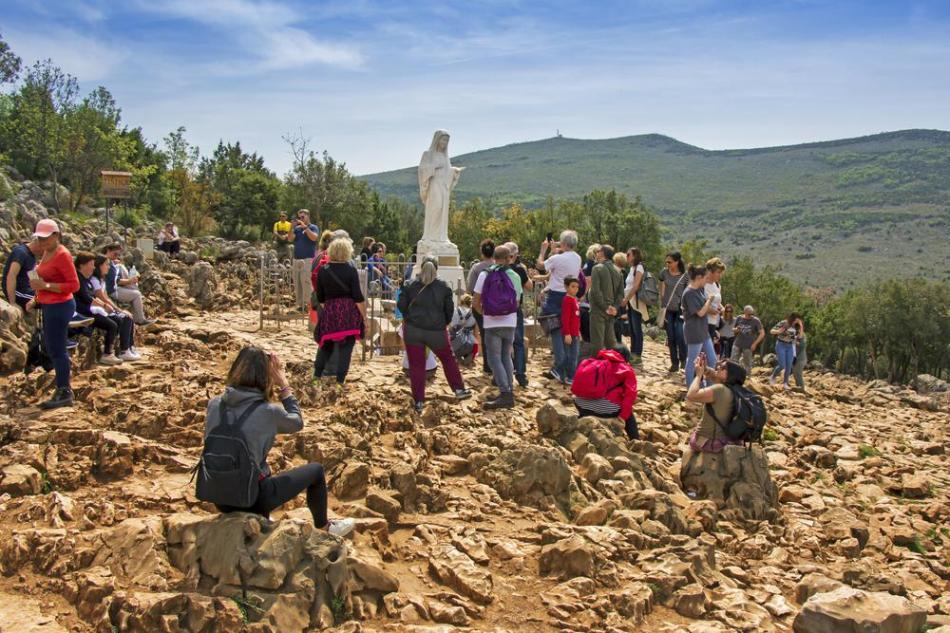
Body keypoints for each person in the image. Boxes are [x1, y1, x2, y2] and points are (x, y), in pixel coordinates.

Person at [205, 346, 354, 536]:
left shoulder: (215, 404)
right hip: (251, 499)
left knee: (259, 466)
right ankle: (325, 527)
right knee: (315, 471)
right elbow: (297, 422)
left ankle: (261, 519)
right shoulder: (268, 411)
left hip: (218, 495)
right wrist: (283, 382)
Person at [398, 256, 472, 412]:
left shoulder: (409, 285)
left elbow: (401, 306)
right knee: (448, 359)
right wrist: (441, 324)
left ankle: (419, 401)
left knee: (417, 365)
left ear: (421, 268)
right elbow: (449, 311)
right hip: (436, 332)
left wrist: (410, 319)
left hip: (413, 331)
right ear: (436, 269)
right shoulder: (443, 287)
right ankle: (458, 389)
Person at [28, 220, 80, 409]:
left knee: (57, 350)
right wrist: (36, 298)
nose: (42, 242)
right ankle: (62, 388)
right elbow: (44, 279)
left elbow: (74, 285)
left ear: (56, 235)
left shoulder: (62, 255)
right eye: (39, 238)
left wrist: (45, 286)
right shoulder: (47, 253)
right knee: (53, 348)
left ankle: (64, 391)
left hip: (60, 306)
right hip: (50, 305)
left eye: (45, 238)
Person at [474, 245, 523, 409]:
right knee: (506, 356)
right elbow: (517, 302)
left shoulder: (485, 274)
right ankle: (508, 389)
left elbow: (475, 301)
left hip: (492, 322)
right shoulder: (515, 276)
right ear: (509, 258)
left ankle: (505, 394)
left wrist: (486, 314)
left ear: (493, 258)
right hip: (510, 322)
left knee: (494, 359)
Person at [312, 238, 365, 383]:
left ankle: (316, 375)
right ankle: (340, 380)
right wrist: (363, 316)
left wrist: (329, 310)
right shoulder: (351, 270)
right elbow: (358, 296)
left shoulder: (324, 270)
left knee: (326, 344)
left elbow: (320, 297)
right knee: (347, 347)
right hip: (348, 312)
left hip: (330, 309)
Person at [73, 252, 137, 365]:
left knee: (120, 320)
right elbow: (87, 297)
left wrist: (110, 307)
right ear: (82, 265)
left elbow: (95, 297)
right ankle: (108, 353)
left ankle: (123, 349)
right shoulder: (80, 279)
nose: (93, 267)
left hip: (92, 309)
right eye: (91, 264)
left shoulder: (86, 279)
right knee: (112, 324)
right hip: (85, 311)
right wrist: (104, 306)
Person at [537, 230, 582, 381]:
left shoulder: (557, 258)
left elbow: (541, 265)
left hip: (556, 296)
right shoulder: (577, 258)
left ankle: (559, 366)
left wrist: (544, 249)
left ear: (563, 243)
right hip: (570, 296)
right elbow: (565, 253)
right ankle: (569, 373)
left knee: (556, 329)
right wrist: (557, 245)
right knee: (568, 332)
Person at [571, 347, 639, 440]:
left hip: (581, 404)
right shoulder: (626, 369)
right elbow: (630, 395)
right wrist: (622, 417)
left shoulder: (592, 362)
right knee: (629, 413)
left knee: (588, 403)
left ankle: (584, 419)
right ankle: (635, 440)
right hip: (607, 409)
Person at [685, 355, 747, 452]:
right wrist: (704, 368)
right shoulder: (736, 389)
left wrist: (698, 375)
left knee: (693, 440)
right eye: (719, 365)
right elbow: (714, 374)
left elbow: (691, 395)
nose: (718, 368)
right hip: (726, 439)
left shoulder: (720, 390)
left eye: (723, 368)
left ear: (731, 374)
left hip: (708, 442)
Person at [92, 254, 141, 359]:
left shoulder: (101, 280)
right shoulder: (94, 281)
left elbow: (106, 298)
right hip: (100, 310)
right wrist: (119, 311)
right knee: (125, 318)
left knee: (128, 316)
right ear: (99, 266)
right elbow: (103, 298)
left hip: (104, 308)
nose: (108, 267)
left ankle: (129, 347)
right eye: (106, 265)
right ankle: (124, 350)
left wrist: (120, 310)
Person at [682, 265, 718, 388]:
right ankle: (690, 388)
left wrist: (714, 308)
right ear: (699, 277)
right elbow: (701, 312)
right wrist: (709, 300)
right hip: (694, 330)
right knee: (692, 361)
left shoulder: (700, 289)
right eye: (706, 278)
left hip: (703, 330)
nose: (707, 280)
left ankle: (707, 387)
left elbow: (704, 308)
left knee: (712, 360)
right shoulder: (689, 293)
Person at [503, 242, 533, 388]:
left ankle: (502, 375)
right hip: (515, 308)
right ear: (515, 254)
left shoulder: (497, 269)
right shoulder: (519, 269)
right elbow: (529, 286)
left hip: (500, 310)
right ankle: (520, 374)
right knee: (518, 342)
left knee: (503, 343)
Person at [102, 244, 154, 326]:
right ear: (108, 250)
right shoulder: (106, 263)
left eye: (118, 255)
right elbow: (116, 281)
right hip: (112, 291)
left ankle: (134, 289)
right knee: (136, 295)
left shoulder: (107, 261)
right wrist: (130, 281)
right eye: (115, 254)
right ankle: (140, 320)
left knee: (120, 266)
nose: (116, 257)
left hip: (113, 286)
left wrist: (113, 262)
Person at [588, 245, 625, 355]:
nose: (596, 253)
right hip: (611, 310)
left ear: (603, 253)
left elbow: (596, 291)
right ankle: (612, 367)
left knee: (597, 342)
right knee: (610, 342)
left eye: (598, 251)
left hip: (598, 309)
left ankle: (597, 368)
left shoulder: (597, 268)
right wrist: (614, 307)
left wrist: (605, 307)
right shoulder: (618, 271)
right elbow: (620, 294)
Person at [466, 239, 496, 374]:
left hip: (481, 306)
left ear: (481, 252)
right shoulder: (499, 267)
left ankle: (488, 366)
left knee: (485, 335)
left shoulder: (477, 268)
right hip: (498, 306)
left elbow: (470, 288)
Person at [658, 251, 689, 373]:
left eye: (670, 262)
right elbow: (661, 285)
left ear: (677, 262)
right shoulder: (664, 272)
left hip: (680, 310)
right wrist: (662, 298)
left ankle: (683, 359)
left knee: (680, 336)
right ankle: (674, 363)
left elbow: (687, 293)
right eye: (666, 261)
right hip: (668, 310)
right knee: (670, 337)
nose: (667, 264)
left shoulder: (685, 276)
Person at [622, 247, 648, 366]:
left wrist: (626, 299)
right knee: (632, 328)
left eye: (629, 254)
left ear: (635, 255)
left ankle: (638, 354)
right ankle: (633, 353)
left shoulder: (639, 267)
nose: (627, 256)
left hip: (635, 302)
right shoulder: (632, 268)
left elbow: (636, 285)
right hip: (631, 302)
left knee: (636, 328)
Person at [290, 209, 319, 313]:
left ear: (308, 216)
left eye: (303, 217)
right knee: (297, 282)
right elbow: (290, 239)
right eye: (299, 217)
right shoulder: (297, 229)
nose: (301, 219)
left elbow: (314, 238)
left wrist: (305, 228)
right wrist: (291, 227)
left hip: (308, 259)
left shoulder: (313, 227)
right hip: (296, 259)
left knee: (306, 282)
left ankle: (310, 305)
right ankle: (300, 305)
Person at [3, 237, 42, 311]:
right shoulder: (21, 253)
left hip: (27, 289)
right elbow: (11, 276)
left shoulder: (32, 255)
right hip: (18, 291)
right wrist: (13, 302)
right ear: (38, 244)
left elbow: (32, 275)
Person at [770, 313, 803, 390]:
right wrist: (778, 331)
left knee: (789, 366)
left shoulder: (797, 327)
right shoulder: (784, 323)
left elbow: (800, 337)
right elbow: (771, 331)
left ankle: (785, 383)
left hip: (790, 346)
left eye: (798, 321)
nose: (796, 322)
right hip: (781, 344)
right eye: (796, 320)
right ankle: (773, 377)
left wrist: (801, 326)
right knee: (782, 365)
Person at [559, 276, 581, 384]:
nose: (575, 289)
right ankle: (568, 376)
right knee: (570, 355)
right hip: (570, 334)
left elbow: (576, 317)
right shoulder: (567, 300)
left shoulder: (574, 299)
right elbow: (565, 318)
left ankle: (567, 375)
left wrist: (578, 331)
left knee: (574, 355)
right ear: (566, 287)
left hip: (575, 333)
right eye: (572, 286)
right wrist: (567, 333)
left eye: (577, 287)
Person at [704, 258, 726, 352]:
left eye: (721, 272)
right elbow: (697, 303)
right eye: (718, 272)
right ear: (710, 271)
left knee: (707, 352)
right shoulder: (701, 283)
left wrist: (722, 308)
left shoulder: (717, 285)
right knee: (703, 351)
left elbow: (717, 301)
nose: (720, 275)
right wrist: (710, 310)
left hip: (713, 322)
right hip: (702, 321)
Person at [449, 294, 477, 366]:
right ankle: (469, 357)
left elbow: (451, 328)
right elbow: (476, 332)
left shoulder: (455, 310)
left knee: (451, 340)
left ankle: (458, 357)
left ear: (461, 301)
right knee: (475, 345)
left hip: (456, 343)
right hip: (469, 343)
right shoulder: (474, 312)